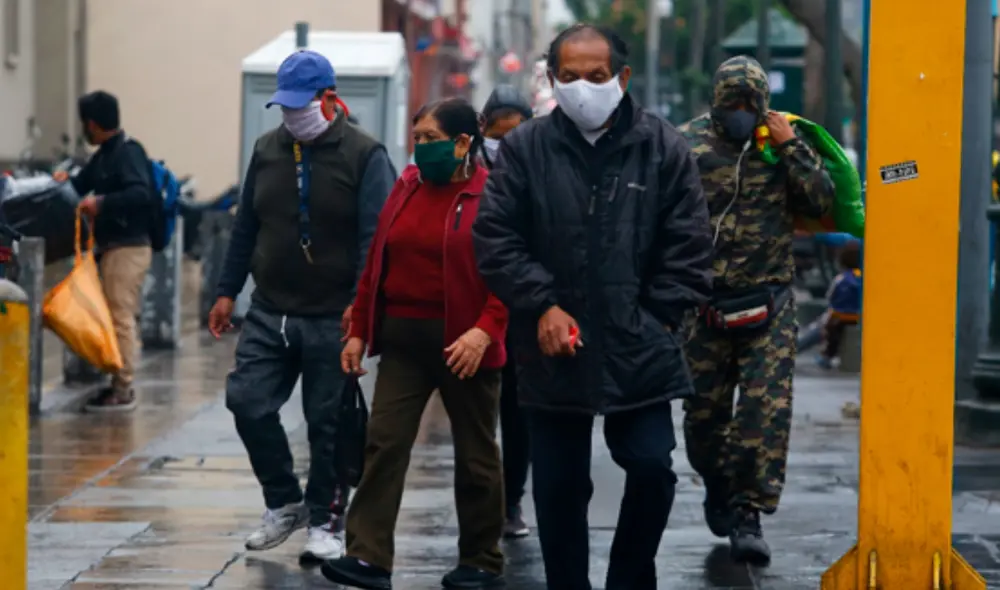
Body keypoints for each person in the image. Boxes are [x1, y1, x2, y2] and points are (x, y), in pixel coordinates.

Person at [472, 24, 714, 590]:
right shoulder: (527, 149)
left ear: (621, 78)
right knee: (558, 489)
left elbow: (689, 246)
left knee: (652, 468)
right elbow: (496, 238)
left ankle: (628, 579)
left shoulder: (662, 147)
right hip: (551, 351)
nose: (584, 86)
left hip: (640, 345)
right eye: (571, 75)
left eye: (597, 75)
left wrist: (655, 320)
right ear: (553, 79)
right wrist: (543, 305)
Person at [207, 50, 396, 563]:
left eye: (300, 105)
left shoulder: (365, 154)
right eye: (285, 106)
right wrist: (226, 291)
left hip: (333, 314)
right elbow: (247, 224)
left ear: (329, 99)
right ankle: (284, 502)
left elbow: (375, 240)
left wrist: (361, 308)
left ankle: (327, 520)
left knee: (327, 422)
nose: (292, 116)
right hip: (271, 309)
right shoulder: (268, 149)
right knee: (246, 400)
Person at [321, 97, 508, 590]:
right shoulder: (406, 187)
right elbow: (376, 263)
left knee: (476, 455)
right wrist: (359, 330)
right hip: (404, 341)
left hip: (465, 346)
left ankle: (481, 560)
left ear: (463, 142)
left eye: (431, 138)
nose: (421, 147)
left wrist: (485, 330)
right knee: (383, 443)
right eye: (417, 137)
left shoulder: (491, 195)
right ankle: (367, 557)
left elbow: (510, 274)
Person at [677, 55, 835, 564]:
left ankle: (749, 512)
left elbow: (821, 201)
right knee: (703, 419)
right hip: (704, 306)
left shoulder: (783, 142)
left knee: (764, 414)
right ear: (716, 102)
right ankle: (717, 482)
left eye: (751, 104)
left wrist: (790, 147)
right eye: (733, 103)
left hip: (769, 302)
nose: (742, 112)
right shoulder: (686, 144)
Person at [53, 90, 155, 412]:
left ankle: (123, 389)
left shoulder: (128, 153)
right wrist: (64, 181)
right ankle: (115, 381)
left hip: (129, 249)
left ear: (92, 124)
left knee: (121, 315)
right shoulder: (104, 156)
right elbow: (81, 184)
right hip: (112, 249)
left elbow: (141, 194)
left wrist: (102, 203)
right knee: (112, 315)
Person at [480, 84, 534, 539]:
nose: (506, 145)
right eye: (499, 136)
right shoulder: (466, 168)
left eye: (516, 135)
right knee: (478, 415)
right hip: (475, 309)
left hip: (522, 311)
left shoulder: (540, 168)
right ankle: (482, 500)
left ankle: (511, 499)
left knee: (518, 414)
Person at [817, 240, 862, 369]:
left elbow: (830, 296)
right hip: (860, 316)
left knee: (827, 330)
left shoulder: (841, 278)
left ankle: (827, 356)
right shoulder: (864, 277)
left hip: (839, 317)